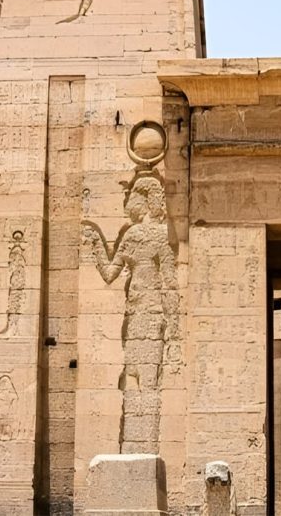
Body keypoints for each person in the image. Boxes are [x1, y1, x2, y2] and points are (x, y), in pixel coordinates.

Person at [82, 171, 178, 452]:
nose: (127, 200)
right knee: (133, 377)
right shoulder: (132, 234)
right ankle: (133, 447)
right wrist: (95, 241)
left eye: (132, 195)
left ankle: (147, 446)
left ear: (147, 200)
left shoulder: (160, 235)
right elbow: (110, 273)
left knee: (148, 381)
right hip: (133, 314)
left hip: (152, 314)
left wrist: (174, 330)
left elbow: (170, 283)